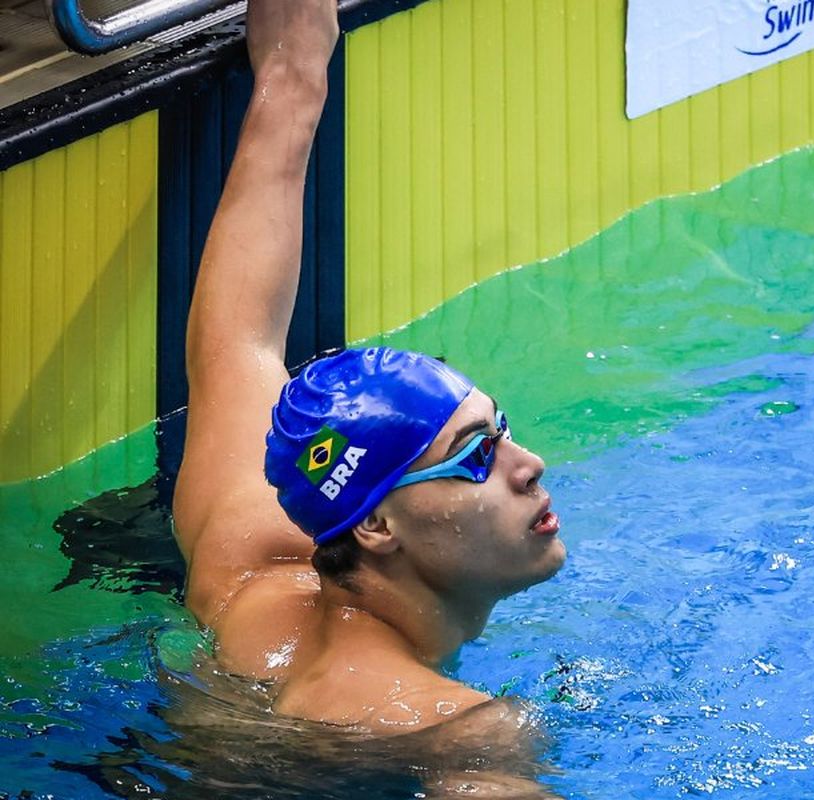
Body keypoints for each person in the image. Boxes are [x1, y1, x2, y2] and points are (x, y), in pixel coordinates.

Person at [172, 0, 566, 739]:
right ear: (378, 525)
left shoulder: (248, 566)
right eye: (474, 456)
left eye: (500, 431)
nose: (530, 464)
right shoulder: (458, 730)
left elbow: (238, 338)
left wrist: (294, 72)